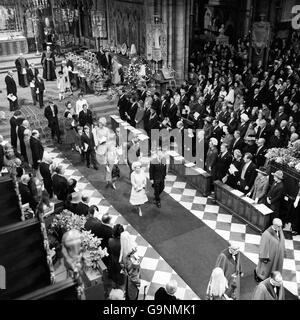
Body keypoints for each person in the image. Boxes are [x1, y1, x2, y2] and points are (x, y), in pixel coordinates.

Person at [119, 231, 141, 300]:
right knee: (132, 296)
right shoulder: (132, 258)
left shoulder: (123, 255)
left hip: (127, 279)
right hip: (132, 283)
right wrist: (138, 283)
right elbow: (134, 277)